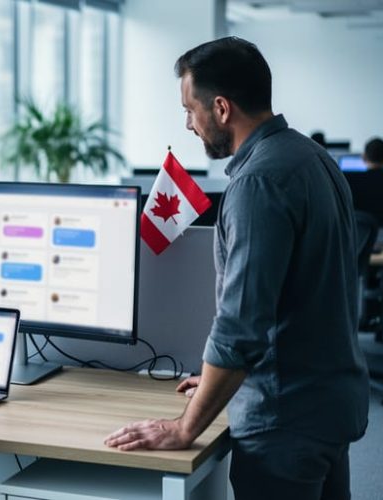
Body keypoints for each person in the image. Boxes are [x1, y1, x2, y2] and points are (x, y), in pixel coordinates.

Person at [105, 37, 369, 500]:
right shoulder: (313, 159)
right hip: (328, 405)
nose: (188, 123)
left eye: (190, 109)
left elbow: (242, 326)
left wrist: (186, 427)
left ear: (222, 108)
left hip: (284, 421)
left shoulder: (259, 183)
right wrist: (212, 382)